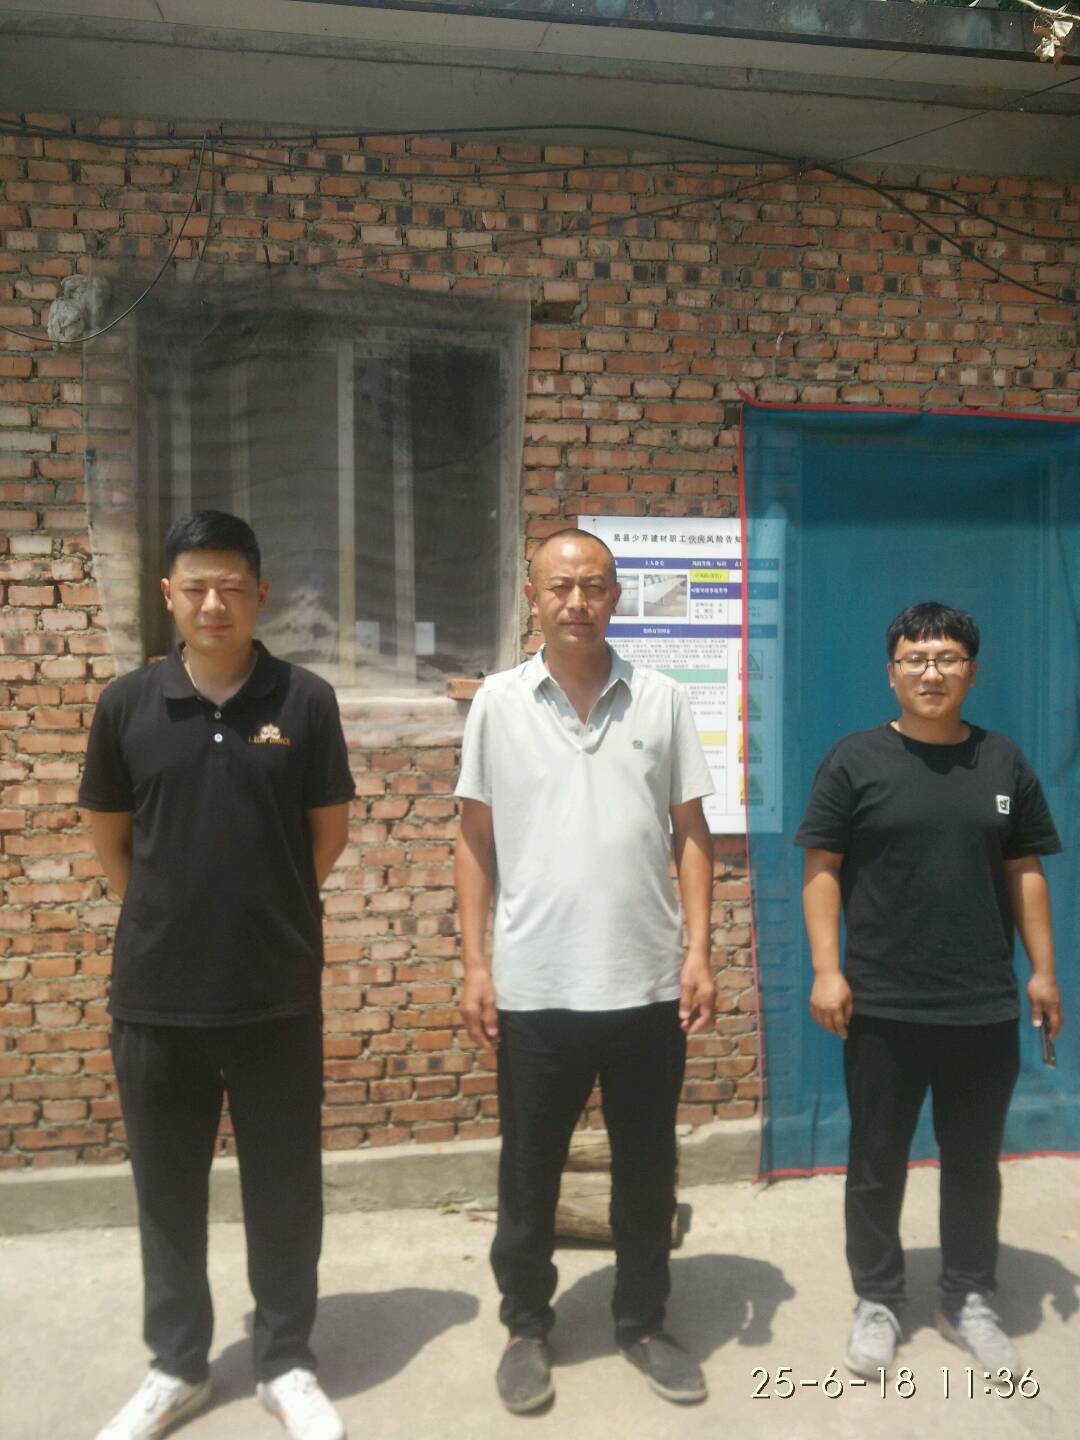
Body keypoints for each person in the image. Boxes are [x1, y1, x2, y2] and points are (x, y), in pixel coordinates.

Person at [80, 511, 356, 1440]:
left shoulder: (304, 701)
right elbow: (112, 840)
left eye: (232, 587)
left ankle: (285, 1361)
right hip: (156, 998)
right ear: (168, 595)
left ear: (260, 594)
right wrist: (173, 917)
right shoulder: (127, 704)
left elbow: (326, 836)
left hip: (275, 994)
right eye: (195, 587)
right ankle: (177, 1366)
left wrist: (260, 914)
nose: (213, 604)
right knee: (167, 1195)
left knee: (285, 1190)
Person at [454, 528, 717, 1414]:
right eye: (561, 586)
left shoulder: (662, 699)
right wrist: (475, 963)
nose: (578, 601)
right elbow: (474, 839)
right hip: (536, 985)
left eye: (595, 585)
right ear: (532, 595)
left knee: (647, 1167)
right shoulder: (498, 704)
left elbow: (691, 831)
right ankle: (527, 1324)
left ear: (616, 596)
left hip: (646, 983)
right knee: (529, 1169)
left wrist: (699, 951)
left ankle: (642, 1321)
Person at [796, 601, 1063, 1379]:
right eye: (915, 659)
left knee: (974, 1161)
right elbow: (821, 869)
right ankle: (878, 1299)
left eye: (947, 658)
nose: (931, 672)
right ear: (892, 673)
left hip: (982, 1003)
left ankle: (967, 1295)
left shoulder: (1003, 762)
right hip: (882, 1003)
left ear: (972, 672)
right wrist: (827, 969)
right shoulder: (855, 761)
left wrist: (1043, 970)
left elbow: (1025, 871)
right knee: (876, 1160)